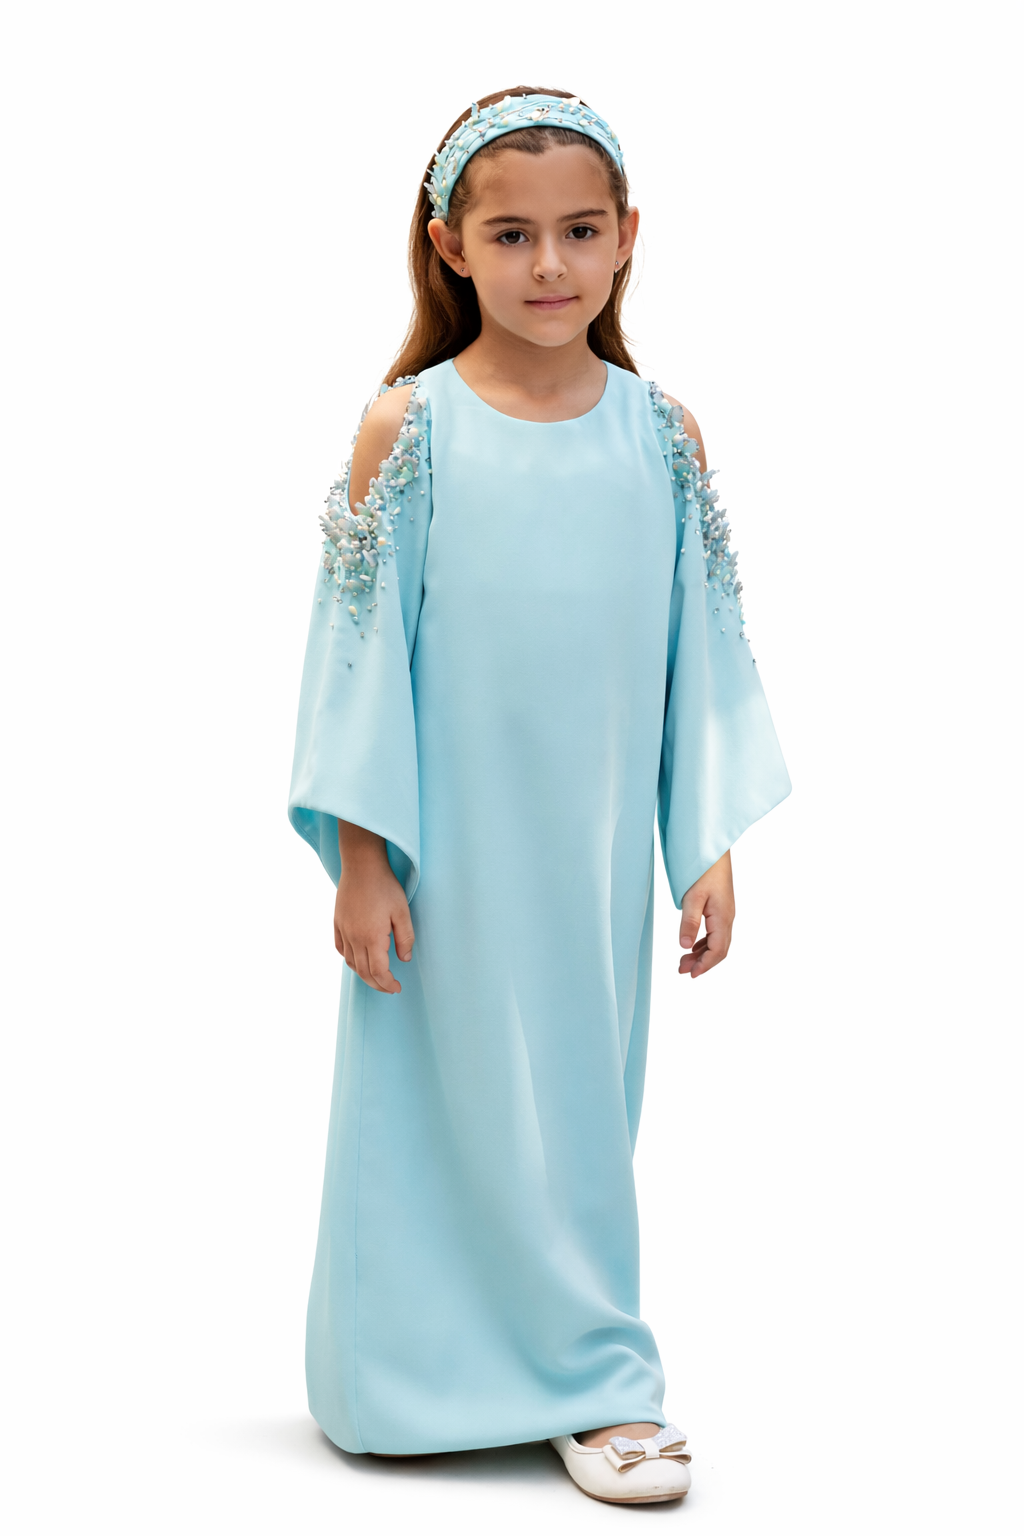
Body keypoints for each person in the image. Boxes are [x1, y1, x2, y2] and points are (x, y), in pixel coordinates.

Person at [288, 85, 790, 1505]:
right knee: (431, 1094)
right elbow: (357, 656)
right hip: (444, 847)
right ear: (450, 246)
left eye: (580, 231)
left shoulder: (663, 436)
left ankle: (592, 1376)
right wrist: (365, 858)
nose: (550, 265)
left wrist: (701, 841)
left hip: (588, 852)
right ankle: (401, 1375)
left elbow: (700, 648)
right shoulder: (411, 430)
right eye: (512, 235)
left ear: (628, 236)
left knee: (573, 1103)